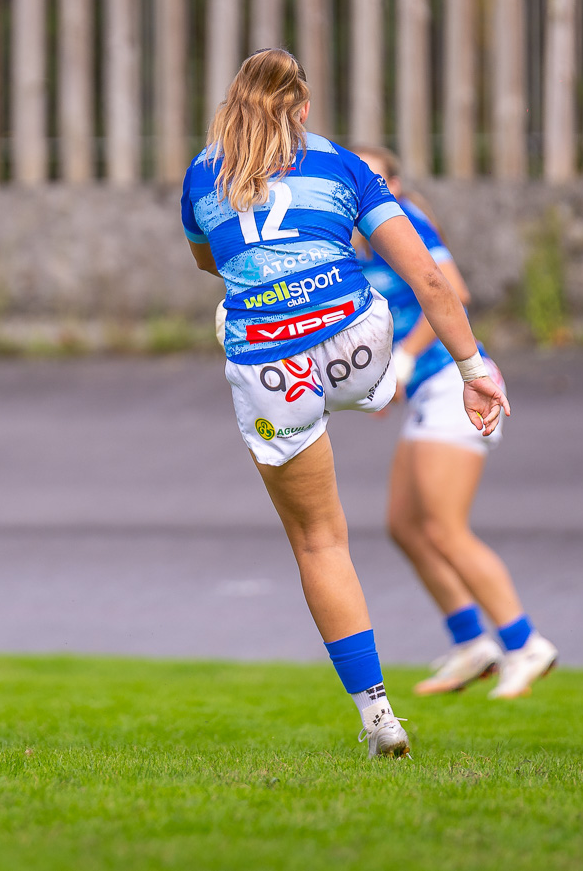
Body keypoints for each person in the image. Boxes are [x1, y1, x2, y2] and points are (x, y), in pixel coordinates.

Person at [183, 50, 508, 759]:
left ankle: (377, 714)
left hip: (271, 362)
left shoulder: (202, 173)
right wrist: (473, 365)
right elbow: (425, 273)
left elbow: (210, 259)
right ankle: (380, 387)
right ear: (300, 109)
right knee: (365, 360)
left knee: (320, 540)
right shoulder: (339, 161)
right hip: (358, 336)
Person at [350, 147, 558, 700]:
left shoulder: (404, 220)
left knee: (444, 527)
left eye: (376, 175)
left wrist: (407, 358)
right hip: (427, 394)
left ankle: (525, 644)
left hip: (457, 385)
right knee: (404, 525)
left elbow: (453, 292)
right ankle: (473, 645)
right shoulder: (356, 239)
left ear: (394, 183)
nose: (364, 183)